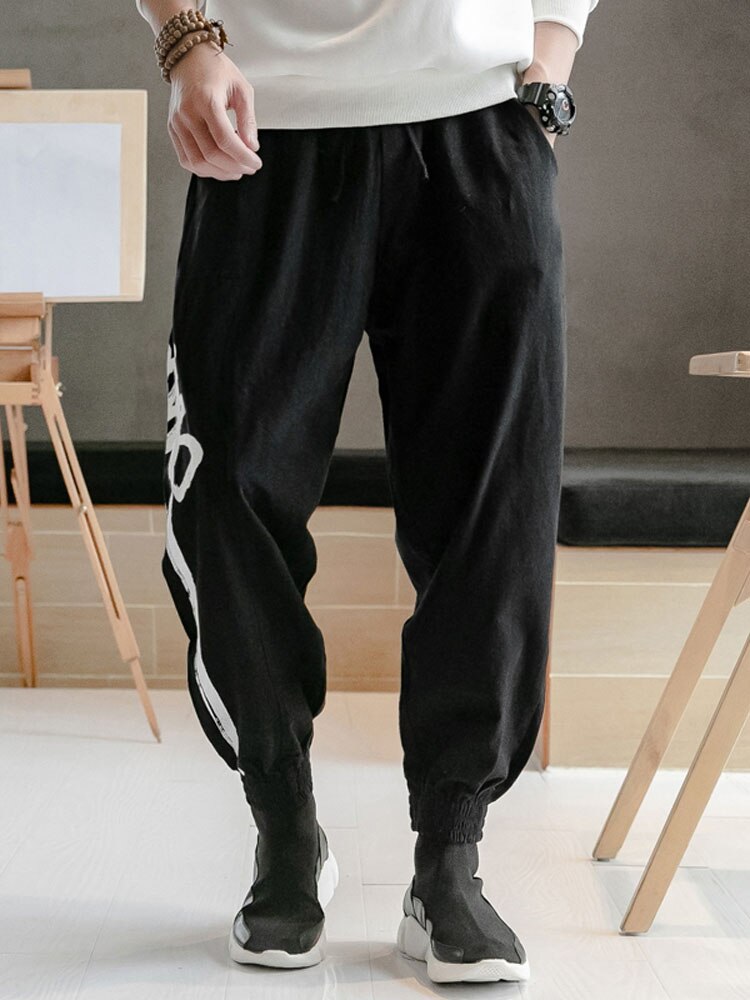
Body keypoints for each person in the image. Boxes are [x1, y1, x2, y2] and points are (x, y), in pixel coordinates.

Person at [136, 0, 599, 984]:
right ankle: (285, 829)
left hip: (480, 119)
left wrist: (547, 68)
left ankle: (451, 862)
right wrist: (184, 38)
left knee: (493, 500)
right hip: (264, 122)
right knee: (227, 486)